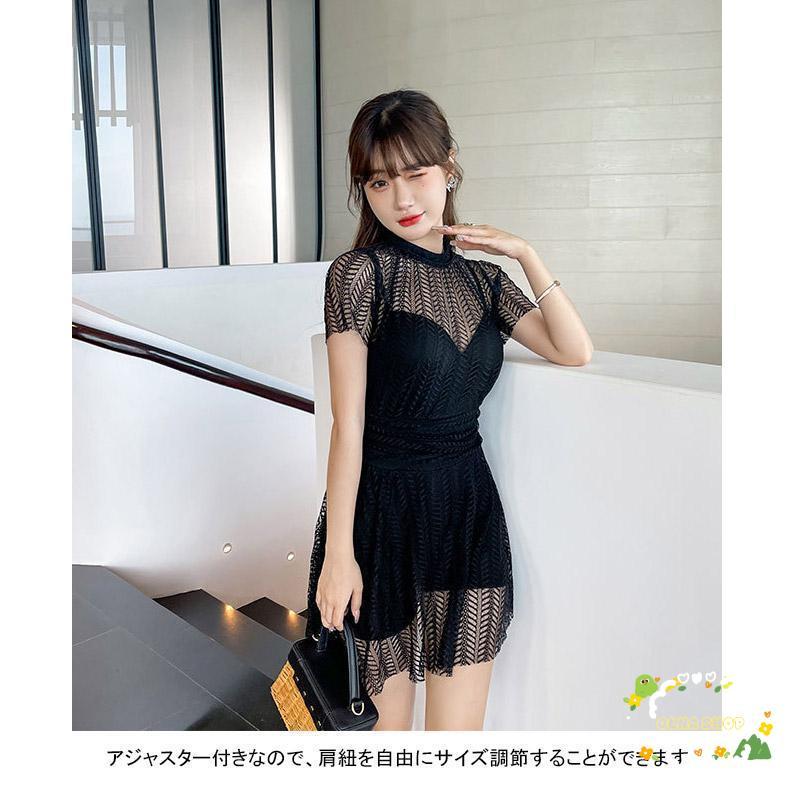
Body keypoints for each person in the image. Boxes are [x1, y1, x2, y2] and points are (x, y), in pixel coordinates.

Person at [304, 89, 593, 730]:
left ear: (449, 167)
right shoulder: (359, 275)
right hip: (381, 522)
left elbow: (573, 349)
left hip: (466, 517)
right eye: (379, 182)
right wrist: (339, 554)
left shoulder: (485, 282)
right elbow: (348, 426)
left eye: (416, 174)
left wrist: (524, 253)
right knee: (380, 741)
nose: (401, 199)